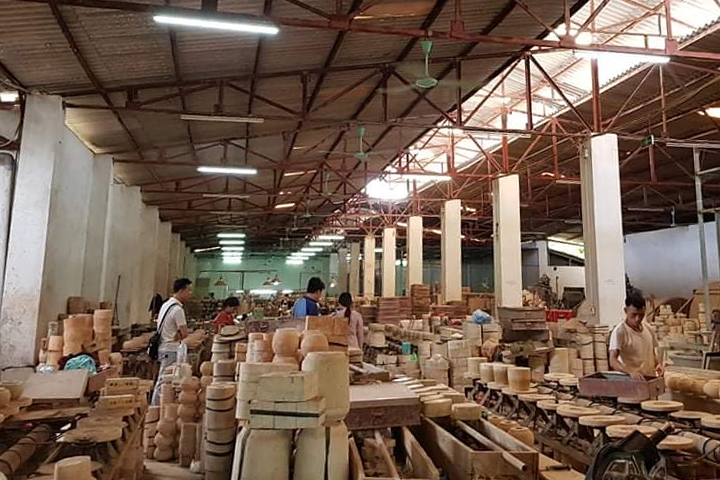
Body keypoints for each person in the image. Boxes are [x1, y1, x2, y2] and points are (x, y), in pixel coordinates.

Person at [151, 278, 193, 405]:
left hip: (164, 347)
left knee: (166, 380)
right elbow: (184, 333)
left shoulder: (166, 305)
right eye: (188, 290)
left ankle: (163, 406)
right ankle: (155, 407)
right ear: (181, 290)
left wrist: (177, 334)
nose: (190, 294)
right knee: (164, 380)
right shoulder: (177, 310)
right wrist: (178, 335)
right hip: (170, 349)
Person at [609, 289, 664, 380]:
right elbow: (613, 361)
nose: (637, 319)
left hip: (649, 379)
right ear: (626, 311)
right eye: (633, 315)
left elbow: (652, 353)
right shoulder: (620, 332)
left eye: (641, 315)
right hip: (631, 382)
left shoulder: (649, 329)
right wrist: (630, 371)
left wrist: (658, 364)